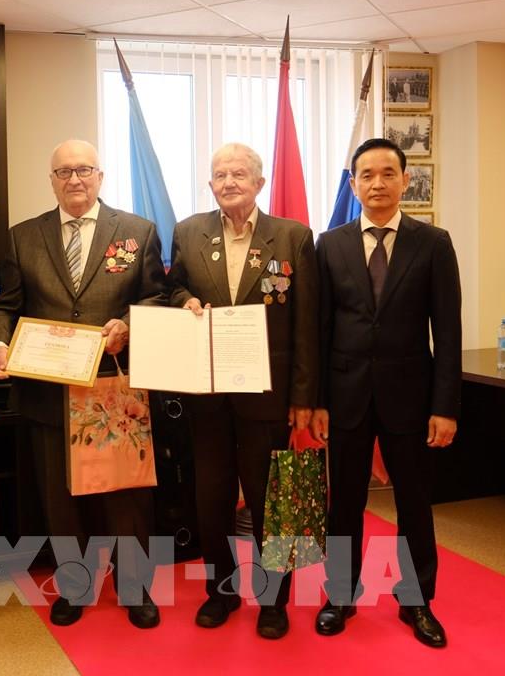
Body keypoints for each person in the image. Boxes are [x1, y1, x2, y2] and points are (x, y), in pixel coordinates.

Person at [0, 139, 167, 629]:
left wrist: (129, 324)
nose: (75, 179)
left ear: (100, 176)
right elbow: (6, 305)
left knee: (126, 497)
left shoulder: (137, 231)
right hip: (49, 391)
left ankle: (135, 587)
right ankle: (74, 586)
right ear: (52, 181)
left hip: (115, 392)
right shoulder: (24, 237)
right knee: (61, 499)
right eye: (63, 172)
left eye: (84, 169)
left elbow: (157, 297)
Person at [312, 138, 461, 648]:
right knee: (345, 503)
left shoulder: (433, 243)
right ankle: (340, 595)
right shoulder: (330, 244)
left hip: (411, 397)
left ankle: (416, 600)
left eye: (388, 174)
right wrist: (318, 400)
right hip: (345, 394)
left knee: (414, 503)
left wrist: (445, 406)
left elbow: (448, 331)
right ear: (354, 184)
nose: (377, 183)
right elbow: (320, 328)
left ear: (405, 180)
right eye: (367, 175)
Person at [167, 143, 319, 640]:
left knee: (269, 500)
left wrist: (303, 397)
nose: (228, 182)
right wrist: (186, 300)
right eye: (219, 175)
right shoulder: (189, 232)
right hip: (206, 391)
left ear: (259, 183)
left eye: (238, 174)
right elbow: (172, 288)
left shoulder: (292, 236)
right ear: (210, 184)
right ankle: (222, 591)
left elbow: (306, 323)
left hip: (268, 394)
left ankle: (274, 600)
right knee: (211, 498)